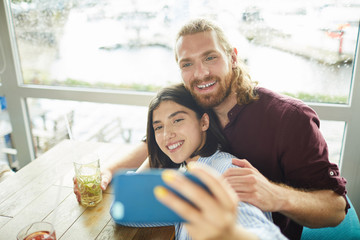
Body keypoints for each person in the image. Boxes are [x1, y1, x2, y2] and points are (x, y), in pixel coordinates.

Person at [74, 18, 348, 239]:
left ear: (233, 57)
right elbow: (157, 142)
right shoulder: (193, 103)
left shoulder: (289, 118)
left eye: (210, 58)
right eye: (188, 64)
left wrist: (274, 195)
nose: (201, 73)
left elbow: (335, 209)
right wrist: (109, 171)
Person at [127, 83, 287, 240]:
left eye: (177, 120)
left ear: (204, 122)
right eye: (158, 127)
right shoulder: (185, 176)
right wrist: (158, 155)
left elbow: (259, 231)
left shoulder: (228, 170)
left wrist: (231, 234)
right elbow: (128, 210)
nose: (167, 134)